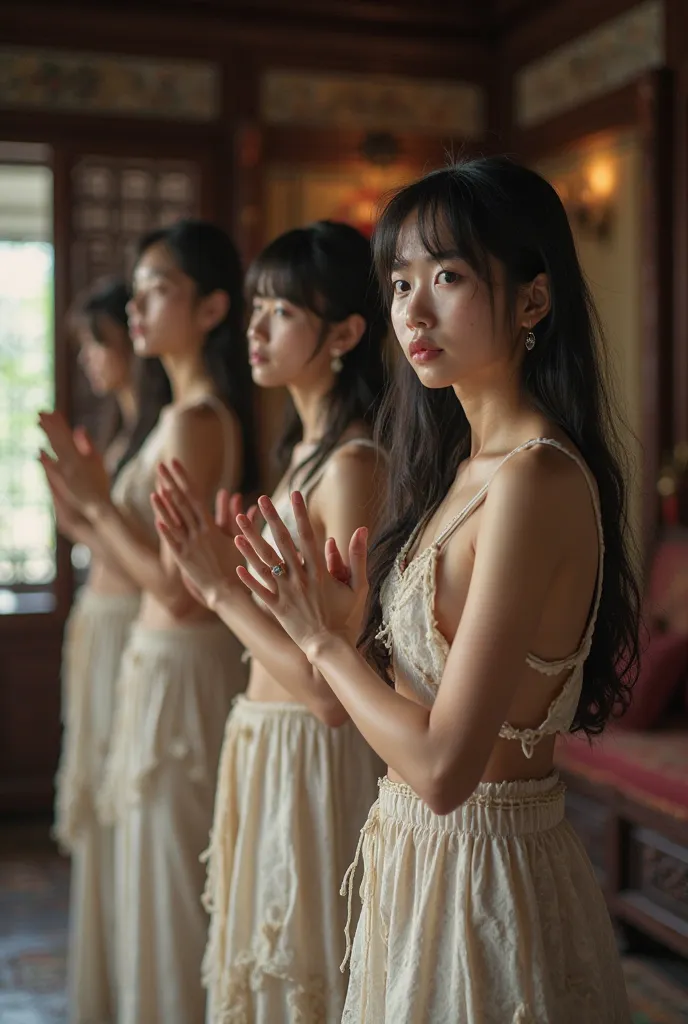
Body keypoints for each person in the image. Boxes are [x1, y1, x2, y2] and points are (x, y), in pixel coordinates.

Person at [232, 160, 641, 1023]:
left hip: (486, 872)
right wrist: (354, 637)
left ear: (533, 301)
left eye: (448, 277)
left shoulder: (535, 479)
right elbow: (406, 708)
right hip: (417, 857)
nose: (412, 311)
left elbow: (447, 768)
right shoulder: (459, 471)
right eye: (400, 282)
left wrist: (323, 645)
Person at [151, 221, 387, 1022]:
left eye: (280, 311)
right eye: (254, 307)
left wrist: (219, 591)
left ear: (347, 332)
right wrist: (231, 576)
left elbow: (330, 690)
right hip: (266, 739)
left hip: (312, 754)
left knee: (303, 983)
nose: (254, 329)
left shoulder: (353, 465)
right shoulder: (302, 451)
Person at [39, 220, 255, 1024]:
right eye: (135, 289)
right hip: (154, 659)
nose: (136, 306)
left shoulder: (198, 420)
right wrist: (86, 508)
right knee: (145, 871)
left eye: (157, 287)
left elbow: (174, 588)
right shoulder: (175, 417)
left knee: (171, 882)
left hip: (181, 659)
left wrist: (95, 504)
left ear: (210, 309)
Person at [49, 278, 170, 1024]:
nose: (92, 357)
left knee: (127, 809)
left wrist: (91, 505)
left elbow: (144, 560)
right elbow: (104, 540)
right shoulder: (127, 434)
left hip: (137, 623)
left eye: (102, 342)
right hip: (107, 620)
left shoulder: (168, 430)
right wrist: (78, 507)